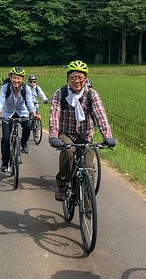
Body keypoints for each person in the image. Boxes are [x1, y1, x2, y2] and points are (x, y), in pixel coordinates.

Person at [48, 60, 116, 201]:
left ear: (85, 78)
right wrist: (54, 136)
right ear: (68, 78)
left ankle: (86, 198)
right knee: (68, 151)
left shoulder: (92, 94)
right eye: (73, 77)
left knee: (89, 166)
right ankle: (62, 184)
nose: (77, 81)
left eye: (80, 77)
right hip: (66, 133)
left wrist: (107, 136)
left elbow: (101, 115)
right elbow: (54, 115)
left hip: (86, 134)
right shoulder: (60, 94)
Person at [0, 66, 40, 172]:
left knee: (27, 126)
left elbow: (29, 101)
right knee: (5, 138)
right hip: (7, 113)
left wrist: (33, 113)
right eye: (14, 78)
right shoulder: (5, 87)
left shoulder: (26, 88)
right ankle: (5, 163)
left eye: (19, 78)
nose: (16, 81)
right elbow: (0, 99)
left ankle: (23, 143)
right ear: (11, 77)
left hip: (22, 112)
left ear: (22, 79)